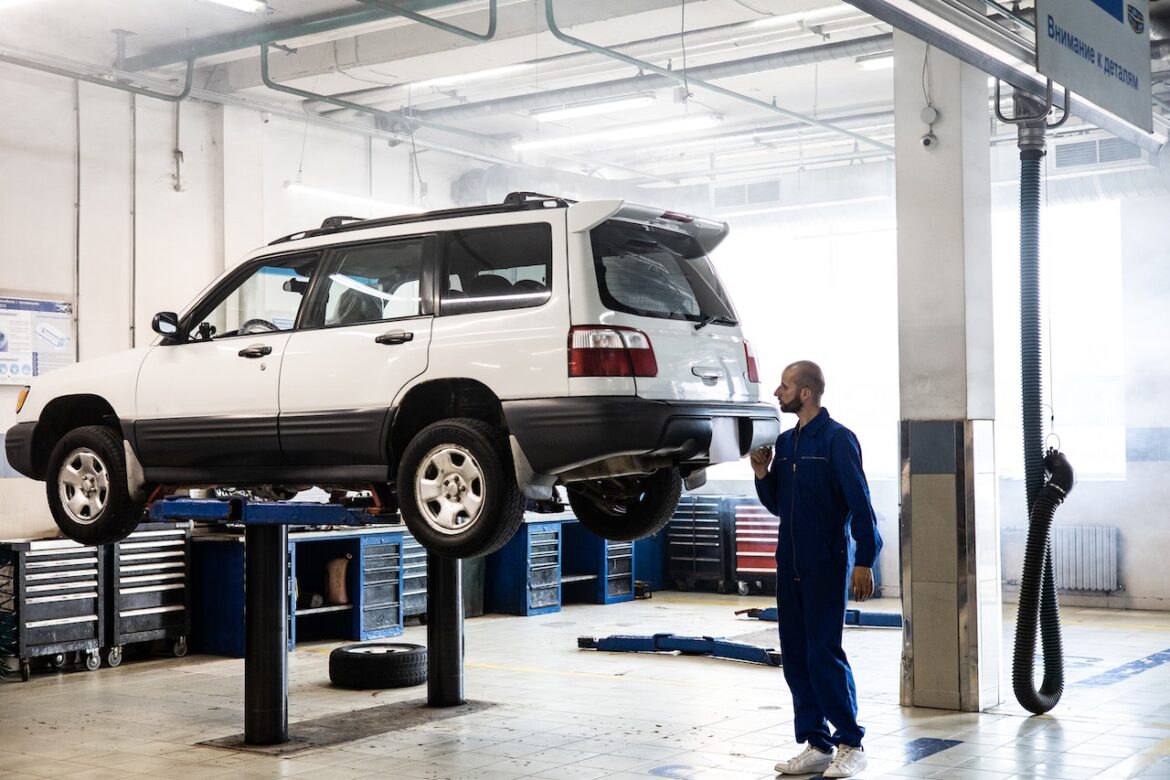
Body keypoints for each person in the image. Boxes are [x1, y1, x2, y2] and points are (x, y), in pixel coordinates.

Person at [750, 360, 882, 779]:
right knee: (795, 657)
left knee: (823, 653)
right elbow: (778, 506)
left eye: (785, 386)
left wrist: (865, 559)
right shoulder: (786, 443)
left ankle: (851, 742)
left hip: (826, 564)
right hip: (788, 564)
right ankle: (817, 742)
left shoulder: (837, 441)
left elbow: (861, 504)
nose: (777, 392)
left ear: (805, 393)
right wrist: (761, 474)